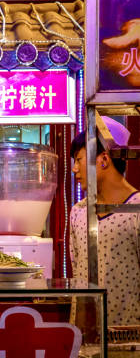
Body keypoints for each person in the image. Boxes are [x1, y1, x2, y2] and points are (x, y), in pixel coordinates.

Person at [70, 116, 140, 325]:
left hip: (130, 340)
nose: (74, 169)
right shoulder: (78, 212)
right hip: (84, 339)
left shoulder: (136, 209)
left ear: (104, 159)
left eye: (79, 160)